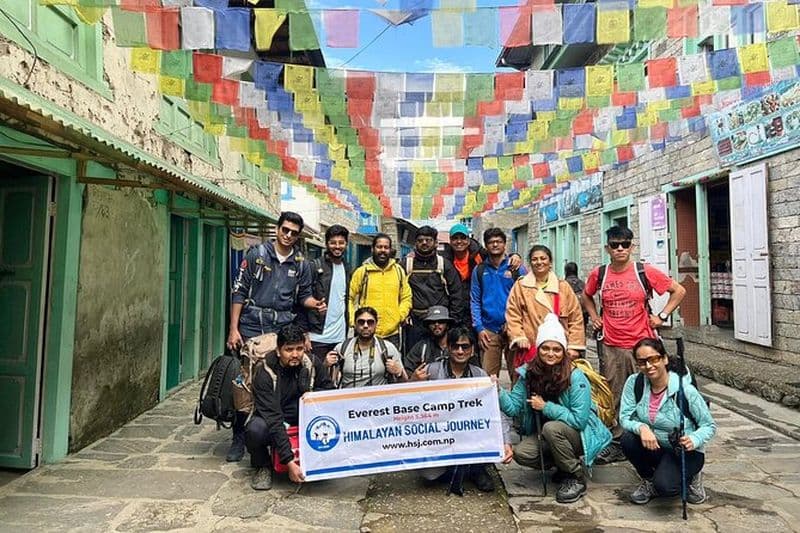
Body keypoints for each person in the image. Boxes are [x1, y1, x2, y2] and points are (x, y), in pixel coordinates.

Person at [226, 211, 326, 463]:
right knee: (245, 383)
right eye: (285, 230)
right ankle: (240, 436)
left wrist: (314, 303)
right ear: (277, 229)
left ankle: (274, 428)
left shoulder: (302, 264)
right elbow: (239, 292)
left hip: (282, 326)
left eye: (294, 232)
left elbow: (303, 298)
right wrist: (233, 328)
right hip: (251, 326)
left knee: (276, 377)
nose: (289, 235)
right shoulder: (257, 255)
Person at [582, 226, 686, 463]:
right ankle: (618, 441)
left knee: (650, 392)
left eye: (625, 244)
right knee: (615, 395)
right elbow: (586, 296)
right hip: (612, 345)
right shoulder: (600, 274)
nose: (620, 249)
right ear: (607, 247)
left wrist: (661, 316)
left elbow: (678, 291)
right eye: (615, 244)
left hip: (642, 345)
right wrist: (595, 318)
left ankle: (653, 436)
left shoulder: (643, 271)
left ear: (632, 246)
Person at [499, 314, 612, 504]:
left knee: (551, 428)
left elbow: (579, 420)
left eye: (557, 349)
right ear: (538, 349)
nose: (551, 354)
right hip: (548, 435)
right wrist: (497, 390)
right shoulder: (528, 374)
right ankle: (562, 465)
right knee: (522, 453)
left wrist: (546, 407)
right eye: (545, 348)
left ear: (563, 351)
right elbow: (512, 408)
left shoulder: (575, 377)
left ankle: (575, 476)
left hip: (579, 434)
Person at [620, 338, 716, 505]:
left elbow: (709, 425)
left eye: (654, 359)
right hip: (655, 445)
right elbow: (624, 417)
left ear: (664, 359)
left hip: (684, 451)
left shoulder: (685, 390)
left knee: (666, 488)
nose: (648, 366)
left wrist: (694, 439)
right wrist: (641, 427)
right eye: (642, 362)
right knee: (628, 439)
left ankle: (692, 476)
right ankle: (649, 480)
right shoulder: (635, 383)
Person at [418, 327, 514, 493]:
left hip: (470, 435)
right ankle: (454, 467)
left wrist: (506, 442)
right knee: (429, 476)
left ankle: (476, 468)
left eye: (465, 347)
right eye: (455, 346)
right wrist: (414, 381)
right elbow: (412, 403)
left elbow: (496, 411)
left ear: (472, 350)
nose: (460, 351)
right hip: (441, 434)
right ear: (448, 348)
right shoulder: (432, 371)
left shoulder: (480, 375)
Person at [245, 324, 334, 490]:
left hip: (307, 419)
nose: (295, 354)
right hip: (276, 419)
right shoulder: (264, 374)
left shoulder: (312, 364)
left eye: (299, 349)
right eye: (289, 349)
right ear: (279, 351)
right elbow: (273, 419)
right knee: (255, 429)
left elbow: (329, 392)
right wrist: (289, 461)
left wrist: (313, 396)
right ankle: (262, 465)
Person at [505, 245, 585, 381]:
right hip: (530, 348)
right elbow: (513, 314)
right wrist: (519, 337)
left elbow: (575, 318)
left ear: (550, 262)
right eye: (535, 259)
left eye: (543, 258)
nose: (539, 262)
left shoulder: (563, 287)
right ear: (530, 263)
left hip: (557, 351)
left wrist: (574, 346)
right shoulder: (520, 286)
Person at [471, 228, 527, 380]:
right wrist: (479, 328)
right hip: (489, 330)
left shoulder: (517, 268)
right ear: (486, 245)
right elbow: (475, 300)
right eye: (491, 242)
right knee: (488, 377)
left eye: (499, 242)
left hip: (514, 328)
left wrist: (520, 325)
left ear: (504, 244)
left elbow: (527, 298)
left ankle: (516, 404)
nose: (495, 245)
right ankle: (492, 404)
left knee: (518, 375)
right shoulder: (480, 270)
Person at [441, 223, 522, 324]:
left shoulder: (479, 254)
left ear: (468, 240)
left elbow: (497, 253)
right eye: (455, 238)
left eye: (463, 238)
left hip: (476, 314)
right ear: (450, 240)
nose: (459, 241)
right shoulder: (444, 260)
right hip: (453, 310)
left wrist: (515, 255)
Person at [403, 225, 465, 351]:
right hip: (415, 323)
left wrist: (453, 322)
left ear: (436, 243)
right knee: (414, 359)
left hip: (440, 323)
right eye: (420, 240)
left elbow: (457, 294)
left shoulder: (444, 265)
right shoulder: (406, 265)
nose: (424, 243)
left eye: (428, 240)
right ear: (415, 243)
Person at [349, 233, 412, 348]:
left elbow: (406, 297)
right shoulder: (362, 272)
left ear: (390, 250)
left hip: (392, 334)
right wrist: (355, 321)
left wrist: (399, 316)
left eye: (386, 247)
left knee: (391, 365)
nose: (382, 250)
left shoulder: (398, 271)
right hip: (365, 332)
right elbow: (349, 298)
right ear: (373, 249)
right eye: (379, 247)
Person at [324, 307, 407, 387]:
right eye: (361, 322)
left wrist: (399, 373)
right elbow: (327, 383)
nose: (366, 326)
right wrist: (325, 366)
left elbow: (405, 383)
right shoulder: (342, 348)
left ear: (376, 324)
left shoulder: (387, 348)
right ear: (355, 324)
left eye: (370, 322)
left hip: (379, 399)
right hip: (349, 399)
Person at [308, 225, 351, 364]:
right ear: (326, 244)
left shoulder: (347, 267)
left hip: (339, 338)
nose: (337, 246)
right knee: (316, 378)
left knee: (334, 380)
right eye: (333, 243)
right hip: (316, 337)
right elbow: (301, 299)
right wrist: (304, 334)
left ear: (346, 244)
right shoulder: (314, 266)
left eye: (341, 243)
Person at [403, 305, 453, 380]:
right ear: (428, 325)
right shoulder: (421, 347)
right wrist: (413, 378)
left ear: (448, 325)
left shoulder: (457, 346)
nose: (436, 324)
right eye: (432, 322)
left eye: (441, 321)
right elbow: (407, 369)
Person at [563, 261, 588, 328]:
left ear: (566, 271)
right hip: (583, 313)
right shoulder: (582, 283)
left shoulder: (564, 284)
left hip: (569, 314)